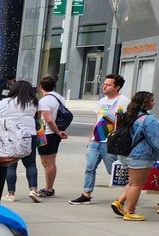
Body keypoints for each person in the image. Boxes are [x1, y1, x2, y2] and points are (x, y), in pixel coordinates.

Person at [71, 74, 130, 204]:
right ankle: (86, 194)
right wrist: (91, 138)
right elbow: (97, 121)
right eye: (104, 84)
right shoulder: (102, 101)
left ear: (117, 87)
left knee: (113, 170)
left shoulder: (124, 101)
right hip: (96, 141)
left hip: (110, 142)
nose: (104, 86)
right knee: (90, 167)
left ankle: (129, 192)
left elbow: (126, 122)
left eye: (108, 85)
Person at [110, 91, 159, 221]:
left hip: (124, 153)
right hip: (140, 156)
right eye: (152, 100)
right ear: (145, 103)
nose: (153, 103)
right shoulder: (149, 119)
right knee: (136, 185)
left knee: (132, 183)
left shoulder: (127, 115)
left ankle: (119, 202)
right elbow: (156, 140)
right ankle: (130, 212)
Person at [0, 79, 41, 203]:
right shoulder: (33, 103)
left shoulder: (3, 103)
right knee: (31, 164)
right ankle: (33, 190)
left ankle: (11, 194)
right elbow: (38, 119)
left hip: (10, 136)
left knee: (11, 165)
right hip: (29, 136)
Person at [35, 75, 69, 197]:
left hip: (47, 133)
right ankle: (50, 187)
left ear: (41, 87)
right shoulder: (59, 97)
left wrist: (57, 131)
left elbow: (48, 120)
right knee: (52, 162)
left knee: (46, 163)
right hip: (54, 134)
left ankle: (48, 188)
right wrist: (59, 132)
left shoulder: (44, 101)